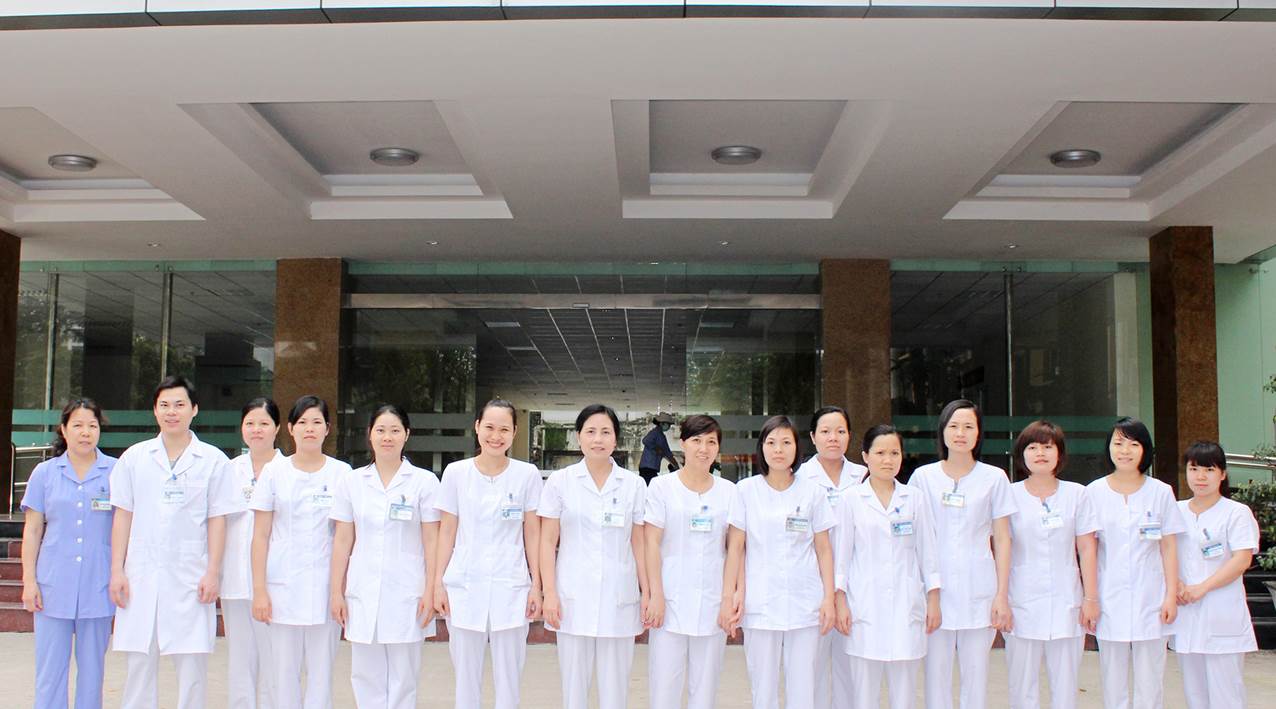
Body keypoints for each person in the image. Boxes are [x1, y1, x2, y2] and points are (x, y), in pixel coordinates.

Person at [109, 375, 239, 709]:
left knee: (192, 668)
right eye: (164, 405)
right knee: (140, 665)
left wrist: (213, 572)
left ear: (194, 409)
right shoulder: (135, 458)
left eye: (180, 405)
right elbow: (123, 516)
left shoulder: (213, 461)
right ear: (154, 411)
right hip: (141, 576)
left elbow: (218, 519)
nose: (172, 412)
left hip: (190, 577)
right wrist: (117, 571)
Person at [721, 415, 837, 709]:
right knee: (763, 687)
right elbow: (736, 548)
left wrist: (828, 598)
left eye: (786, 442)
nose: (778, 450)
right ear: (761, 448)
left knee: (803, 687)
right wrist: (730, 595)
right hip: (761, 602)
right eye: (771, 443)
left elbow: (824, 549)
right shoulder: (745, 491)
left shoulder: (812, 492)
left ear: (797, 449)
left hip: (805, 601)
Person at [433, 400, 543, 709]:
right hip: (465, 586)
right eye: (490, 427)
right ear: (477, 427)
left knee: (509, 679)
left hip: (512, 587)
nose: (496, 436)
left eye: (504, 429)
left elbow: (531, 532)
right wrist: (437, 583)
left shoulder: (527, 474)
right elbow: (447, 530)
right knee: (466, 679)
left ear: (514, 432)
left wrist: (537, 585)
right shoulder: (456, 473)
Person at [329, 404, 440, 709]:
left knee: (404, 676)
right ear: (369, 435)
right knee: (365, 674)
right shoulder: (352, 481)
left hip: (409, 590)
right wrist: (335, 592)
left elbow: (432, 540)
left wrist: (431, 588)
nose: (387, 437)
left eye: (394, 430)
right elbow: (343, 539)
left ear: (407, 435)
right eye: (380, 430)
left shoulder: (424, 482)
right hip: (362, 589)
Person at [539, 404, 648, 709]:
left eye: (605, 432)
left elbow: (639, 543)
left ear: (616, 440)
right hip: (572, 597)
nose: (598, 439)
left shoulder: (634, 484)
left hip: (619, 598)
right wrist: (549, 593)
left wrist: (648, 592)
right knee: (574, 690)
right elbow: (547, 542)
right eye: (590, 431)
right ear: (578, 437)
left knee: (616, 691)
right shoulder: (560, 482)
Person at [907, 399, 1014, 709]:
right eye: (953, 426)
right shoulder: (923, 478)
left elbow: (1003, 539)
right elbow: (913, 539)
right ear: (942, 432)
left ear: (978, 434)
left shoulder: (994, 478)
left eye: (969, 426)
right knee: (935, 678)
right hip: (933, 591)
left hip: (979, 588)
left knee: (976, 677)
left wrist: (1002, 595)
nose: (960, 433)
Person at [250, 395, 350, 709]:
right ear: (290, 429)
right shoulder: (273, 473)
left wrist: (339, 591)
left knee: (322, 673)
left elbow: (345, 537)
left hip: (325, 588)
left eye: (316, 422)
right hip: (282, 588)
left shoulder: (342, 474)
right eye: (303, 422)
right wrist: (259, 591)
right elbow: (260, 535)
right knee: (283, 674)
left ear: (327, 429)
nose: (310, 429)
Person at [833, 424, 941, 709]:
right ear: (865, 456)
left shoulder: (914, 498)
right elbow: (841, 555)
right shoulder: (851, 499)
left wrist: (933, 599)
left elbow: (928, 553)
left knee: (904, 694)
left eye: (894, 452)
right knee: (864, 695)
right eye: (880, 452)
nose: (888, 459)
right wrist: (840, 600)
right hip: (863, 606)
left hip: (907, 606)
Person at [21, 398, 116, 709]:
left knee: (93, 672)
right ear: (63, 430)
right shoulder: (44, 473)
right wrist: (28, 581)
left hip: (98, 587)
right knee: (50, 671)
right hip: (52, 587)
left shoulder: (115, 472)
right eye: (77, 425)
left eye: (92, 426)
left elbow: (124, 529)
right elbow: (33, 530)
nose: (85, 432)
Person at [1085, 417, 1184, 709]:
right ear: (1109, 448)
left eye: (1133, 444)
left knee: (1150, 679)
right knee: (1112, 678)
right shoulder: (1093, 492)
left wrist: (1169, 596)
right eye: (1118, 443)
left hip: (1151, 596)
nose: (1124, 451)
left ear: (1145, 450)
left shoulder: (1160, 491)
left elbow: (1168, 546)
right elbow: (1088, 549)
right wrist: (1090, 597)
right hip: (1109, 596)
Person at [1003, 421, 1099, 709]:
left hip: (1066, 601)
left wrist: (1090, 598)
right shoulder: (1009, 494)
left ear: (1060, 454)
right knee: (1022, 686)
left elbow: (1086, 547)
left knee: (1065, 686)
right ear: (1022, 454)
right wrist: (1001, 598)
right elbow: (1001, 546)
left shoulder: (1077, 494)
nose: (1040, 453)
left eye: (1048, 447)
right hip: (1021, 600)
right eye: (1032, 447)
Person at [643, 414, 735, 709]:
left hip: (711, 603)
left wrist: (728, 598)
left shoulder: (729, 492)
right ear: (682, 444)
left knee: (705, 691)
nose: (703, 448)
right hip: (669, 601)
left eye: (711, 442)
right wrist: (655, 594)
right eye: (696, 440)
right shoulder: (661, 487)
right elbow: (651, 543)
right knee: (664, 689)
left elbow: (734, 549)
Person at [1170, 441, 1259, 709]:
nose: (1200, 476)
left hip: (1223, 613)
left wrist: (1202, 588)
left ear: (1222, 474)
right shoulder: (1176, 510)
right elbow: (1165, 552)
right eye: (1193, 468)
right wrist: (1176, 584)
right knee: (1195, 695)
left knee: (1226, 696)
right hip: (1186, 613)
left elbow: (1242, 559)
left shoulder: (1236, 513)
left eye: (1209, 469)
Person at [796, 406, 866, 709]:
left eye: (840, 431)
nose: (833, 438)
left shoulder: (864, 475)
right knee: (810, 670)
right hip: (812, 585)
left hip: (857, 583)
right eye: (825, 432)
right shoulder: (800, 478)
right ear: (813, 437)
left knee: (851, 668)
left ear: (850, 436)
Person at [223, 398, 282, 709]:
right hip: (234, 579)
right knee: (240, 662)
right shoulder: (228, 470)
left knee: (275, 663)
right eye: (250, 423)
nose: (256, 430)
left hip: (275, 582)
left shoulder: (288, 470)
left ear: (278, 428)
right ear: (242, 429)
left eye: (263, 423)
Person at [639, 413, 679, 485]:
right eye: (668, 424)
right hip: (647, 467)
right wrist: (656, 448)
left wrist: (675, 465)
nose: (669, 426)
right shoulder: (654, 432)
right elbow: (645, 441)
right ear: (662, 423)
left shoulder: (661, 435)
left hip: (652, 467)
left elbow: (667, 452)